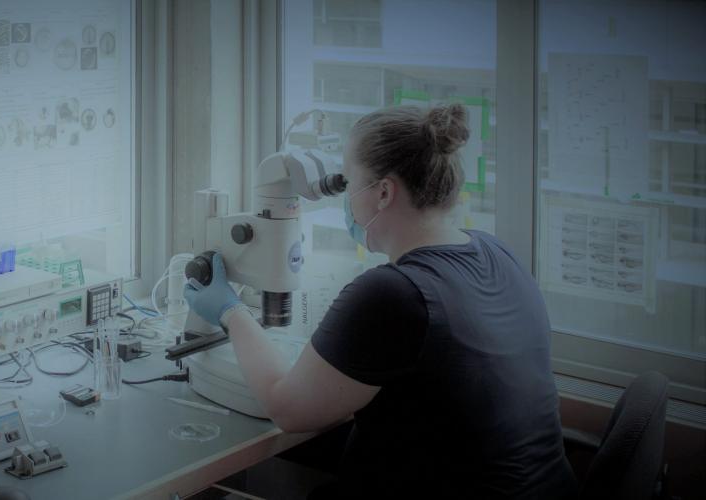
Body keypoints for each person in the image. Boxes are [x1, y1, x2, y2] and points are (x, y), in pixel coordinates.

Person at [184, 103, 577, 499]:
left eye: (350, 182)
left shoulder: (395, 294)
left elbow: (286, 409)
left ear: (384, 192)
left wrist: (229, 310)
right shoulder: (497, 254)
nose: (346, 198)